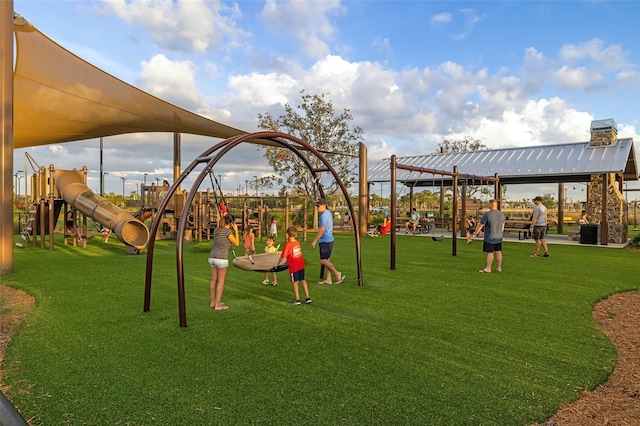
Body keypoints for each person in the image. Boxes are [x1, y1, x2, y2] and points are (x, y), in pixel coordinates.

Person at [208, 214, 239, 310]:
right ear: (231, 223)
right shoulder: (228, 232)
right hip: (221, 259)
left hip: (212, 257)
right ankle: (218, 305)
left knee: (214, 280)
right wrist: (236, 231)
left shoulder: (216, 230)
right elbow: (236, 243)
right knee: (221, 281)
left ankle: (213, 302)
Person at [311, 198, 346, 285]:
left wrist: (315, 240)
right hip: (329, 239)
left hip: (325, 241)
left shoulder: (324, 216)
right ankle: (328, 279)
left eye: (318, 206)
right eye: (316, 206)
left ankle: (337, 273)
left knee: (323, 260)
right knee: (327, 260)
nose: (317, 207)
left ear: (324, 205)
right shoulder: (328, 213)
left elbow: (322, 229)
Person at [276, 226, 311, 305]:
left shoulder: (288, 245)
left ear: (288, 235)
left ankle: (297, 299)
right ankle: (307, 297)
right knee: (303, 280)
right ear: (296, 235)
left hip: (294, 267)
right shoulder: (297, 243)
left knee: (295, 282)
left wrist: (278, 264)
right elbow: (294, 254)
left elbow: (283, 256)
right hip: (301, 265)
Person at [471, 199, 505, 273]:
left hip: (490, 237)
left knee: (490, 252)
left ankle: (488, 268)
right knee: (498, 251)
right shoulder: (501, 214)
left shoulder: (487, 214)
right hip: (499, 237)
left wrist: (475, 234)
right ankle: (499, 267)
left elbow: (480, 225)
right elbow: (502, 226)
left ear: (490, 205)